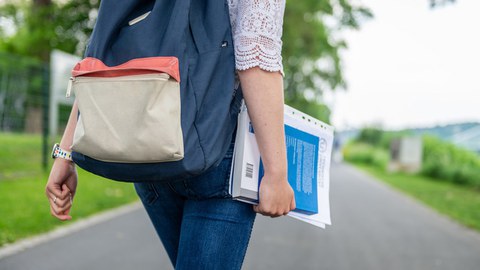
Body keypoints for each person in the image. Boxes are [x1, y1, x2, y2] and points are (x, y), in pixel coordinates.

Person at [45, 0, 295, 269]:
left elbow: (101, 59)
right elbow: (256, 56)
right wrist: (276, 174)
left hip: (147, 142)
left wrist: (65, 153)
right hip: (216, 152)